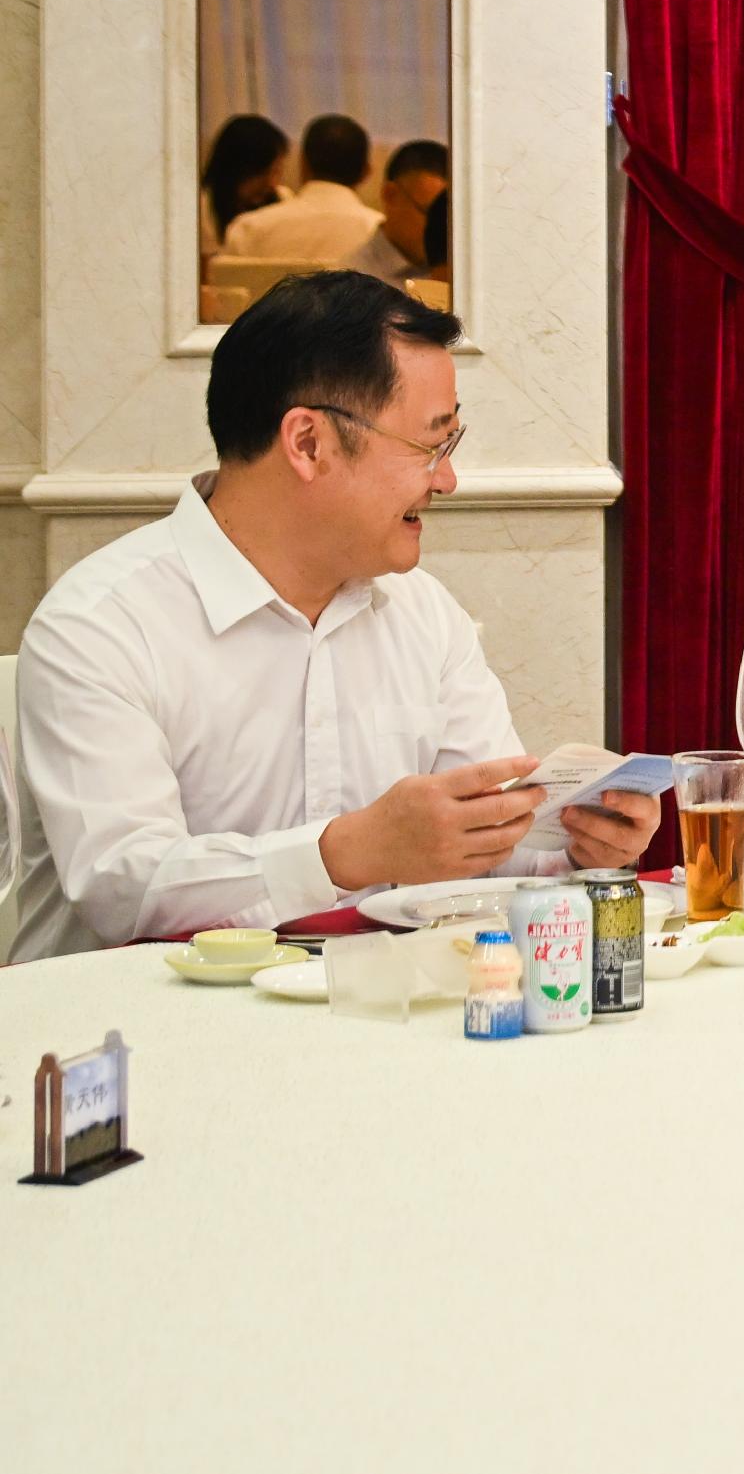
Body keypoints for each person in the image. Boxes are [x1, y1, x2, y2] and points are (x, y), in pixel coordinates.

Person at [5, 271, 660, 962]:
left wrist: (580, 846)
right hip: (131, 1040)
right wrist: (347, 849)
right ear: (308, 444)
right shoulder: (99, 625)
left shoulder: (422, 612)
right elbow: (123, 888)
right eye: (430, 445)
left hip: (367, 1021)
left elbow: (483, 846)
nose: (447, 479)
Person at [220, 114, 392, 269]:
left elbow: (226, 300)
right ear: (366, 171)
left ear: (303, 163)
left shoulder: (247, 229)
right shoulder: (381, 235)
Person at [198, 113, 290, 258]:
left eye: (276, 172)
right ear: (235, 170)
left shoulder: (283, 197)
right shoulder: (203, 207)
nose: (272, 183)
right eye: (262, 174)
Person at [375, 138, 451, 277]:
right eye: (432, 213)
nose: (443, 229)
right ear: (390, 195)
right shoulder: (352, 280)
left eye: (448, 217)